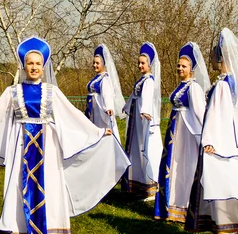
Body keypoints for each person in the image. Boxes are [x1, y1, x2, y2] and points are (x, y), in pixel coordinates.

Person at [0, 37, 130, 234]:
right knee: (20, 190)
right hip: (21, 148)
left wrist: (97, 132)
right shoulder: (12, 92)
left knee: (48, 189)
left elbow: (72, 115)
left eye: (38, 64)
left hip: (47, 148)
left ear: (44, 66)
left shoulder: (51, 92)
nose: (34, 67)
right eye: (30, 64)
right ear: (24, 66)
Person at [186, 28, 238, 234]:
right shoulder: (232, 83)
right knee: (233, 186)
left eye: (212, 56)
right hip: (232, 143)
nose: (210, 59)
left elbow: (216, 115)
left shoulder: (222, 85)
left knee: (220, 187)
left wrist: (209, 140)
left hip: (218, 144)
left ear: (220, 58)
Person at [154, 42, 209, 222]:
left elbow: (200, 114)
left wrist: (204, 138)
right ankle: (171, 205)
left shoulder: (193, 88)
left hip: (186, 134)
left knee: (184, 167)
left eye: (183, 66)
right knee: (173, 167)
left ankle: (184, 207)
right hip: (174, 133)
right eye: (178, 65)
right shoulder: (181, 85)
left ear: (191, 69)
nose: (179, 68)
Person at [121, 42, 163, 201]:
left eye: (142, 63)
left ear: (150, 64)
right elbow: (135, 95)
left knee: (145, 149)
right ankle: (137, 183)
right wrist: (126, 106)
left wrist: (145, 110)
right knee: (136, 149)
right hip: (136, 120)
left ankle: (150, 184)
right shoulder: (142, 80)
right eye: (139, 63)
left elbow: (146, 97)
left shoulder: (149, 81)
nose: (140, 65)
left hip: (143, 120)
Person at [85, 44, 125, 140]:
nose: (95, 65)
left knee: (103, 133)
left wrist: (109, 108)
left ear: (103, 64)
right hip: (93, 111)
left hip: (100, 111)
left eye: (97, 63)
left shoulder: (105, 79)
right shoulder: (97, 77)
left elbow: (107, 95)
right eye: (94, 63)